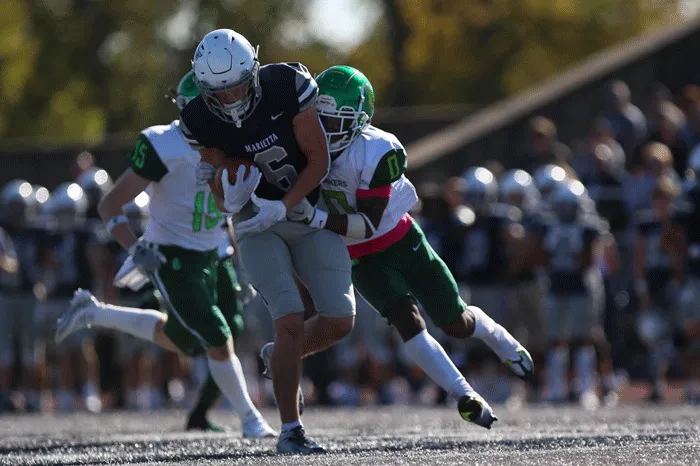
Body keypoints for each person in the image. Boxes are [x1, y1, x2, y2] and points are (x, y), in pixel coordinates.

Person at [285, 65, 534, 427]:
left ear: (359, 122)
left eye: (337, 120)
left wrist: (316, 218)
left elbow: (368, 222)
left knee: (456, 323)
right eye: (320, 118)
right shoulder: (301, 145)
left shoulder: (376, 151)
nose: (326, 128)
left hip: (400, 240)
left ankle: (497, 337)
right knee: (407, 321)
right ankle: (465, 394)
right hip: (359, 256)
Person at [54, 71, 275, 437]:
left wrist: (236, 258)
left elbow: (229, 208)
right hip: (171, 253)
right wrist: (136, 247)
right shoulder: (163, 144)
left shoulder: (232, 140)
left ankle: (95, 312)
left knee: (189, 338)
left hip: (214, 251)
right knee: (217, 338)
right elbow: (110, 205)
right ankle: (251, 420)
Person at [179, 29, 355, 454]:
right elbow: (222, 194)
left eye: (237, 86)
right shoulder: (197, 118)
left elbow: (318, 159)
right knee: (290, 317)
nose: (230, 99)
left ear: (253, 73)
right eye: (218, 93)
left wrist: (287, 204)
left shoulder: (286, 85)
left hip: (306, 213)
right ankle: (290, 431)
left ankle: (281, 356)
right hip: (257, 223)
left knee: (340, 319)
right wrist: (228, 195)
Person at [534, 180, 604, 407]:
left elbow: (588, 261)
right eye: (562, 206)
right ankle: (556, 388)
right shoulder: (548, 226)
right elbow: (543, 257)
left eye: (569, 206)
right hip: (556, 285)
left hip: (580, 285)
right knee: (555, 339)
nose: (565, 211)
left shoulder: (587, 228)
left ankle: (585, 387)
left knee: (583, 338)